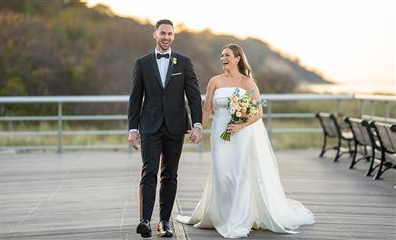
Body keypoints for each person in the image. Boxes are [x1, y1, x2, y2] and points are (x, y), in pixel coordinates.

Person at [176, 43, 315, 238]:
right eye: (222, 55)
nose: (223, 58)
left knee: (239, 175)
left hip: (241, 135)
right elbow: (207, 109)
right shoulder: (214, 81)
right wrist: (198, 128)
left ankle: (237, 219)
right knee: (220, 174)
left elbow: (258, 112)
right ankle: (220, 216)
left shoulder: (247, 83)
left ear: (237, 58)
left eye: (227, 55)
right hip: (220, 134)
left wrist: (240, 126)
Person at [127, 19, 203, 238]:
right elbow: (135, 98)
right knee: (148, 172)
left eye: (170, 34)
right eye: (163, 33)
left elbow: (194, 96)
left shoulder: (185, 62)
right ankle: (144, 220)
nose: (166, 37)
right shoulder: (142, 63)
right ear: (155, 35)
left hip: (175, 126)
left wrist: (196, 124)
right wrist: (133, 128)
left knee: (170, 175)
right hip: (149, 126)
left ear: (173, 36)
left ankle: (164, 222)